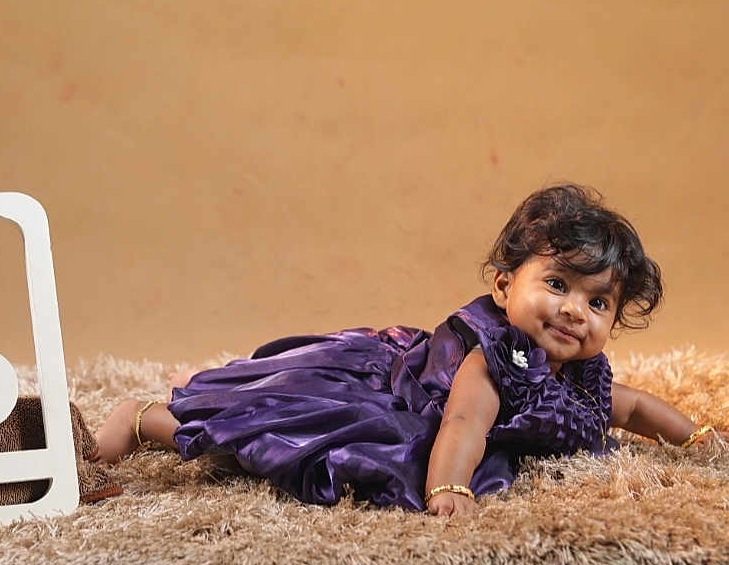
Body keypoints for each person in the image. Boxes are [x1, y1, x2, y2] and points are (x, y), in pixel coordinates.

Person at [93, 183, 718, 517]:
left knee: (266, 428)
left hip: (446, 408)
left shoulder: (582, 369)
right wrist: (450, 489)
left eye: (598, 302)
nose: (574, 310)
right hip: (405, 399)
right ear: (503, 286)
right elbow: (465, 427)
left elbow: (633, 409)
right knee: (280, 436)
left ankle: (204, 383)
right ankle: (147, 417)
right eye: (556, 284)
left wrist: (694, 439)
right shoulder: (491, 361)